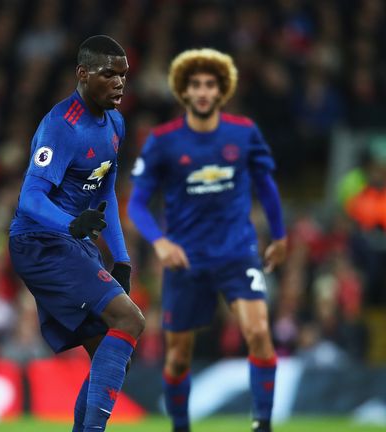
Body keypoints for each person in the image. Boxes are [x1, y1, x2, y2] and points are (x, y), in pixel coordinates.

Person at [127, 48, 287, 432]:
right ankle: (180, 427)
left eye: (210, 85)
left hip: (237, 252)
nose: (202, 92)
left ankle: (261, 425)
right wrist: (160, 242)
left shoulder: (244, 134)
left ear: (221, 91)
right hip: (187, 260)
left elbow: (266, 187)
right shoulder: (164, 141)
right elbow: (136, 204)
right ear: (183, 91)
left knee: (260, 333)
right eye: (195, 84)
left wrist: (280, 236)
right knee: (178, 358)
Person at [8, 35, 145, 432]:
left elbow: (105, 195)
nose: (119, 83)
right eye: (109, 75)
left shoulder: (115, 123)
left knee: (113, 349)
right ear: (83, 75)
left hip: (73, 243)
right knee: (130, 321)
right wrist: (70, 224)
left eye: (123, 75)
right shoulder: (61, 127)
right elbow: (29, 198)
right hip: (40, 242)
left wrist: (122, 258)